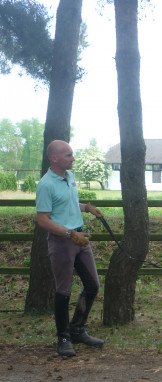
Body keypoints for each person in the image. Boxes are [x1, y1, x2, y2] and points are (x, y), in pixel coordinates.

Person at [35, 140, 105, 357]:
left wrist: (87, 207)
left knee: (92, 285)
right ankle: (63, 338)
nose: (73, 158)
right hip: (63, 241)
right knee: (63, 291)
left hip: (79, 238)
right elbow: (42, 220)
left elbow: (68, 203)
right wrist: (69, 234)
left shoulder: (69, 177)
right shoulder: (46, 185)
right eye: (68, 155)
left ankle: (77, 329)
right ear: (54, 158)